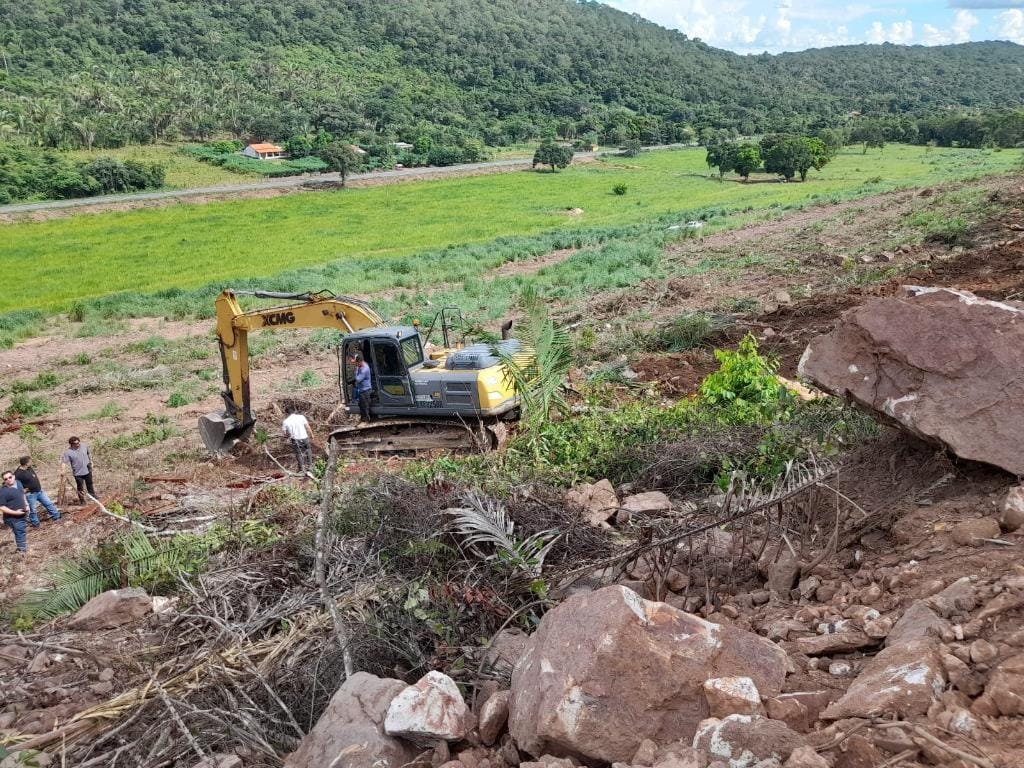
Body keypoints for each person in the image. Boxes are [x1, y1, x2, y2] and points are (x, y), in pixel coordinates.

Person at [15, 455, 61, 526]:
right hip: (30, 494)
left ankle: (57, 517)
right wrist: (22, 490)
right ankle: (36, 524)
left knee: (48, 503)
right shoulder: (18, 473)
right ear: (26, 463)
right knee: (33, 510)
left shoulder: (29, 468)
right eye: (30, 461)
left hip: (39, 491)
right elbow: (14, 484)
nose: (32, 462)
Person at [1, 470, 29, 554]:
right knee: (20, 533)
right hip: (13, 518)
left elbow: (22, 494)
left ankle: (21, 549)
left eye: (10, 477)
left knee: (20, 532)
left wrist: (27, 505)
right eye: (6, 479)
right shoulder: (2, 491)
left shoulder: (18, 484)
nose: (8, 479)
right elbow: (1, 507)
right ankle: (22, 552)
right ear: (4, 481)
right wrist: (15, 512)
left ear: (14, 476)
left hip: (22, 515)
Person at [61, 436, 95, 505]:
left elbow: (89, 454)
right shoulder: (68, 452)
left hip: (87, 469)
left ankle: (93, 497)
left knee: (90, 484)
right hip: (78, 473)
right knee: (80, 487)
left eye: (78, 442)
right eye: (76, 443)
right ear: (71, 444)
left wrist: (91, 461)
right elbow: (64, 462)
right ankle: (82, 500)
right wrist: (63, 470)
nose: (78, 444)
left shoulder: (84, 446)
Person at [282, 406, 314, 473]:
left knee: (299, 453)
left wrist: (288, 435)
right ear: (294, 411)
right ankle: (310, 466)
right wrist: (311, 434)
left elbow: (285, 433)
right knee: (308, 450)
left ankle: (302, 469)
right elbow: (307, 426)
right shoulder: (301, 417)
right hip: (304, 437)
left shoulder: (285, 421)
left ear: (286, 413)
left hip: (295, 439)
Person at [349, 351, 373, 423]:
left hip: (365, 391)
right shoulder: (363, 364)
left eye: (356, 363)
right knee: (361, 405)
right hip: (362, 390)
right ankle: (362, 419)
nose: (355, 364)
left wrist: (356, 369)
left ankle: (366, 421)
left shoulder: (364, 369)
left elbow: (358, 379)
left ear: (359, 361)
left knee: (364, 407)